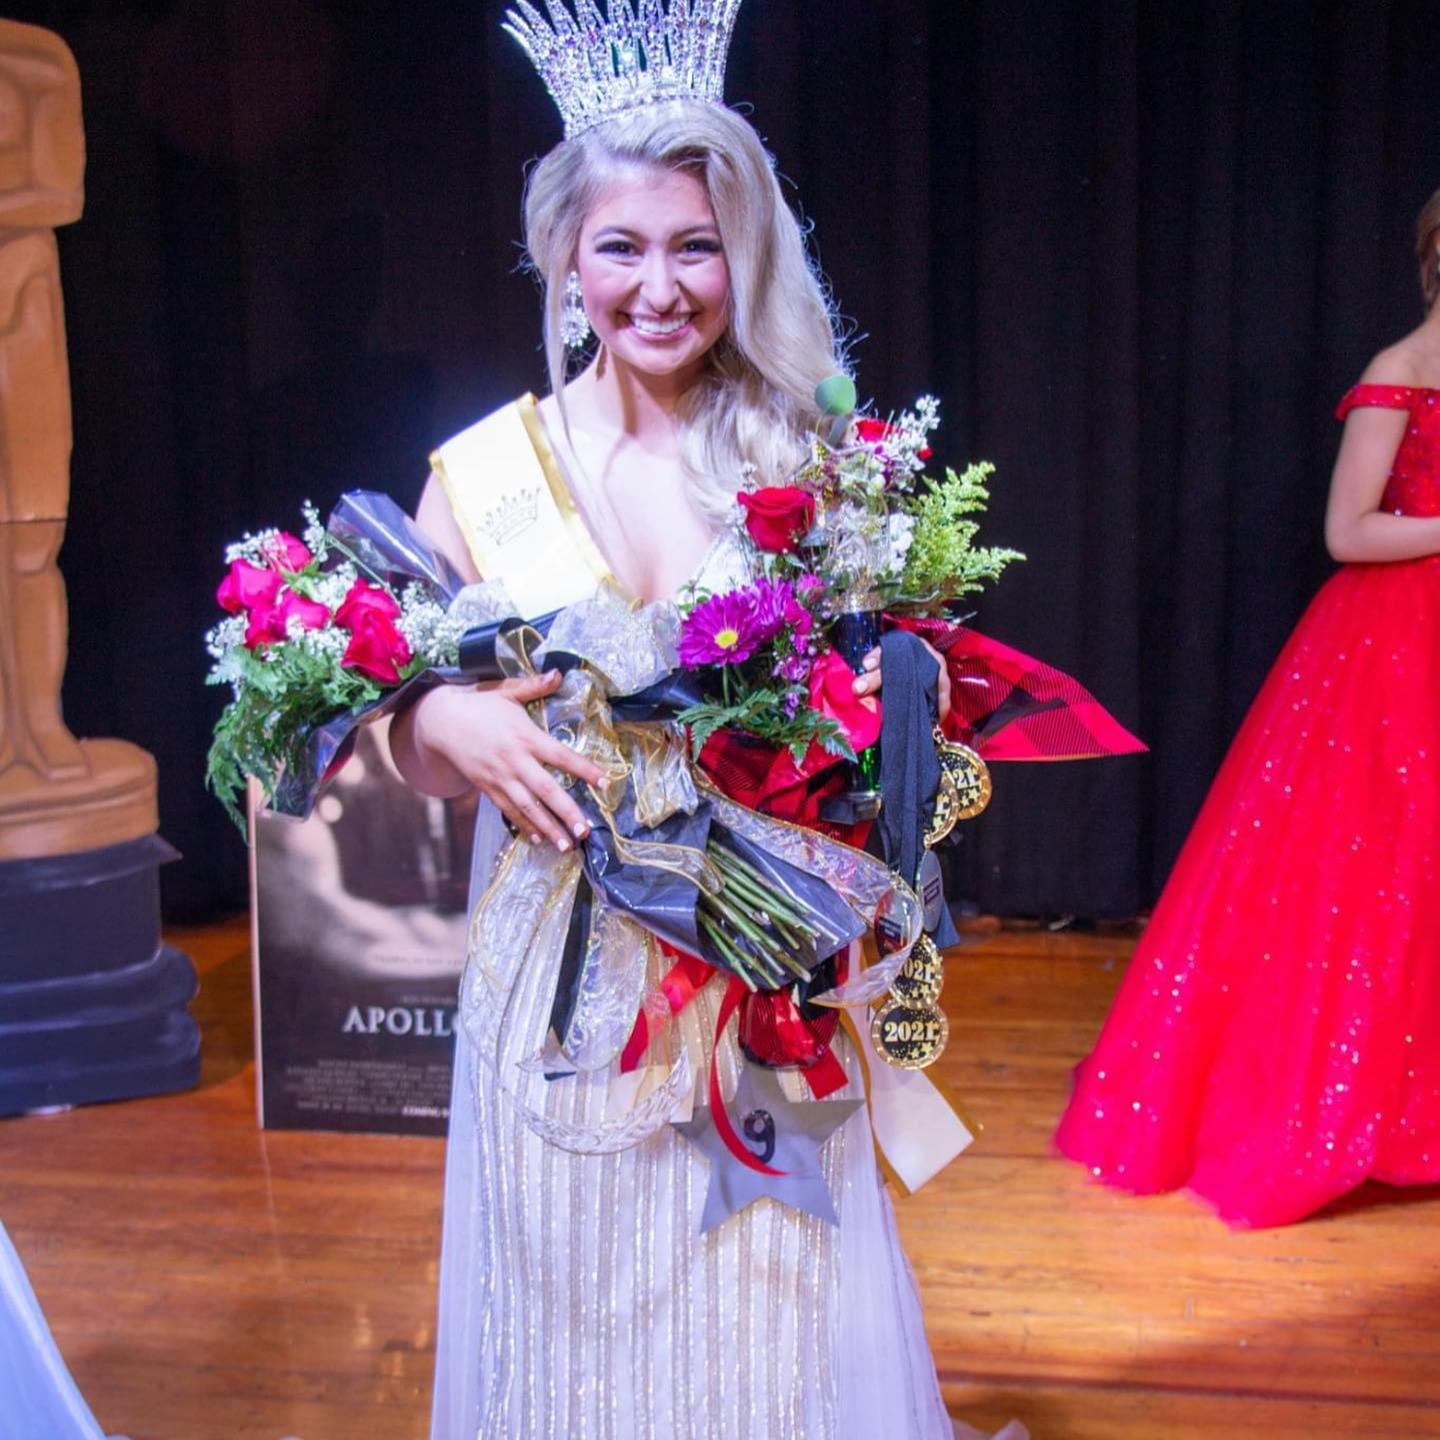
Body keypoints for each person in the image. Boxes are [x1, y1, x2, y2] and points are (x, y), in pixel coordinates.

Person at [389, 5, 1029, 1437]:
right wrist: (453, 731)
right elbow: (395, 732)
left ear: (742, 257)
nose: (660, 285)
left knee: (764, 1310)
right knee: (565, 1309)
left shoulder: (811, 461)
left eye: (696, 246)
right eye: (622, 247)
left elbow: (893, 721)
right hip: (556, 968)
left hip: (754, 971)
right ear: (565, 260)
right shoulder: (488, 473)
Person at [1055, 187, 1440, 1229]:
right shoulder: (1397, 376)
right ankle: (1353, 1110)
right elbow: (1350, 531)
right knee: (1373, 877)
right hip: (1393, 645)